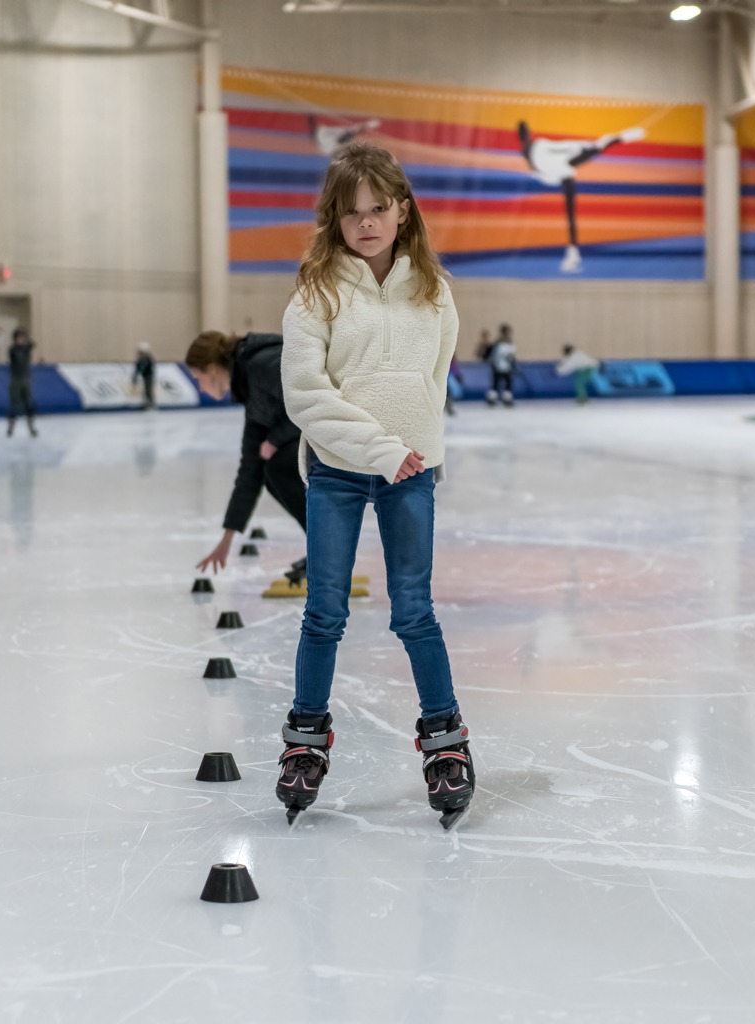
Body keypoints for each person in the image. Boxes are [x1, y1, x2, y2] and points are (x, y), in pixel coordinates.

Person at [277, 142, 475, 828]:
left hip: (410, 473)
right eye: (351, 212)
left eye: (378, 209)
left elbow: (432, 379)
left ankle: (445, 739)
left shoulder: (434, 290)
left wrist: (411, 447)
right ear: (334, 219)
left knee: (413, 609)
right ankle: (306, 741)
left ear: (402, 210)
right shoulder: (315, 294)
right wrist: (379, 448)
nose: (365, 223)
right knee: (324, 611)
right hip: (337, 470)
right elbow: (305, 395)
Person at [185, 331, 307, 575]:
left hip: (344, 427)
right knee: (267, 468)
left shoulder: (262, 364)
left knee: (279, 464)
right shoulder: (250, 391)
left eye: (199, 378)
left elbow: (308, 402)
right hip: (316, 435)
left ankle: (327, 550)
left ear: (212, 369)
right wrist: (227, 539)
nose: (200, 387)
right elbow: (249, 470)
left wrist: (274, 439)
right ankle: (322, 548)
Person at [517, 120, 645, 274]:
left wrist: (553, 176)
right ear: (527, 133)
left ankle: (573, 254)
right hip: (564, 168)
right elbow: (560, 148)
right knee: (598, 147)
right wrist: (582, 146)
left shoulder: (529, 154)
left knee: (571, 215)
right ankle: (573, 254)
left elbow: (542, 169)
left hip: (562, 171)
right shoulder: (537, 146)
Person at [7, 327, 37, 437]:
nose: (21, 340)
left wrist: (26, 337)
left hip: (25, 380)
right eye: (19, 337)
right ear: (15, 339)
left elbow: (33, 344)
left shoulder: (26, 348)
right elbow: (17, 359)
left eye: (22, 337)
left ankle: (31, 428)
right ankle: (11, 428)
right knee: (14, 405)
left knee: (29, 404)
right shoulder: (13, 350)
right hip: (16, 381)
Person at [480, 323, 517, 406]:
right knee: (496, 383)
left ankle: (506, 399)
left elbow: (512, 356)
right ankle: (492, 398)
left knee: (508, 383)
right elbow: (489, 354)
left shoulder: (510, 344)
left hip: (507, 367)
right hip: (497, 367)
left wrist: (513, 364)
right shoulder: (497, 344)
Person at [132, 342, 156, 409]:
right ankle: (146, 403)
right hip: (145, 376)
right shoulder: (140, 360)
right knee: (145, 390)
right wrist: (135, 377)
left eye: (141, 352)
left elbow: (148, 367)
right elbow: (137, 369)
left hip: (149, 377)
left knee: (148, 390)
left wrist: (142, 368)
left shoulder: (148, 359)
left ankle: (150, 403)